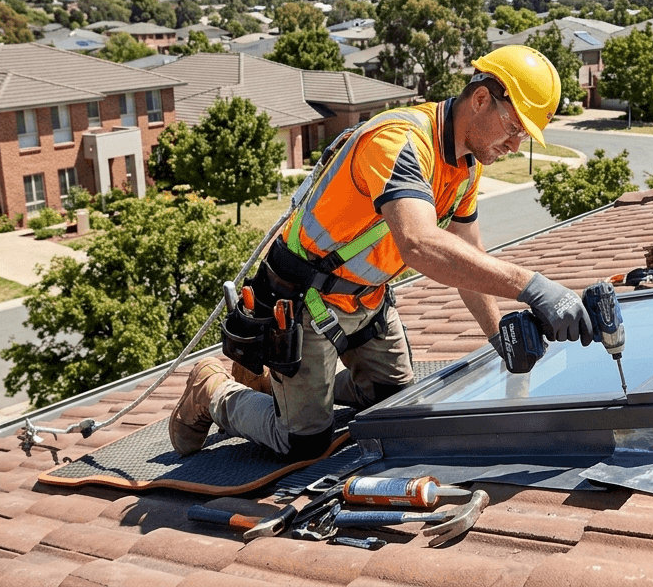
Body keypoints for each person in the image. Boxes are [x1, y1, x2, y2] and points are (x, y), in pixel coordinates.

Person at [169, 45, 594, 460]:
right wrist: (531, 286)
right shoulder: (400, 141)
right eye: (515, 128)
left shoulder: (466, 166)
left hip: (367, 301)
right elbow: (419, 243)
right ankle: (213, 390)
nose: (516, 144)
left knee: (394, 407)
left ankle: (284, 384)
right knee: (304, 442)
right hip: (305, 299)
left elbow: (467, 253)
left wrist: (497, 335)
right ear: (481, 98)